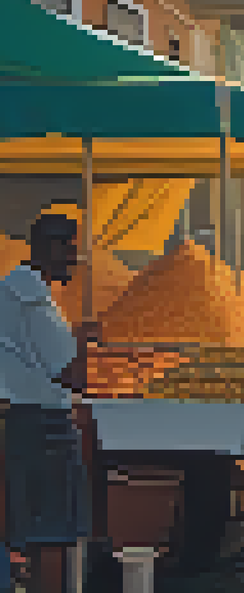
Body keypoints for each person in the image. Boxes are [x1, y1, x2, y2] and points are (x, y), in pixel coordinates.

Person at [0, 214, 92, 593]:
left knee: (29, 520)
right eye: (70, 247)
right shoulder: (33, 298)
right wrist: (85, 339)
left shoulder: (10, 289)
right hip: (45, 427)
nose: (74, 258)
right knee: (52, 529)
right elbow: (72, 373)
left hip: (22, 420)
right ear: (50, 247)